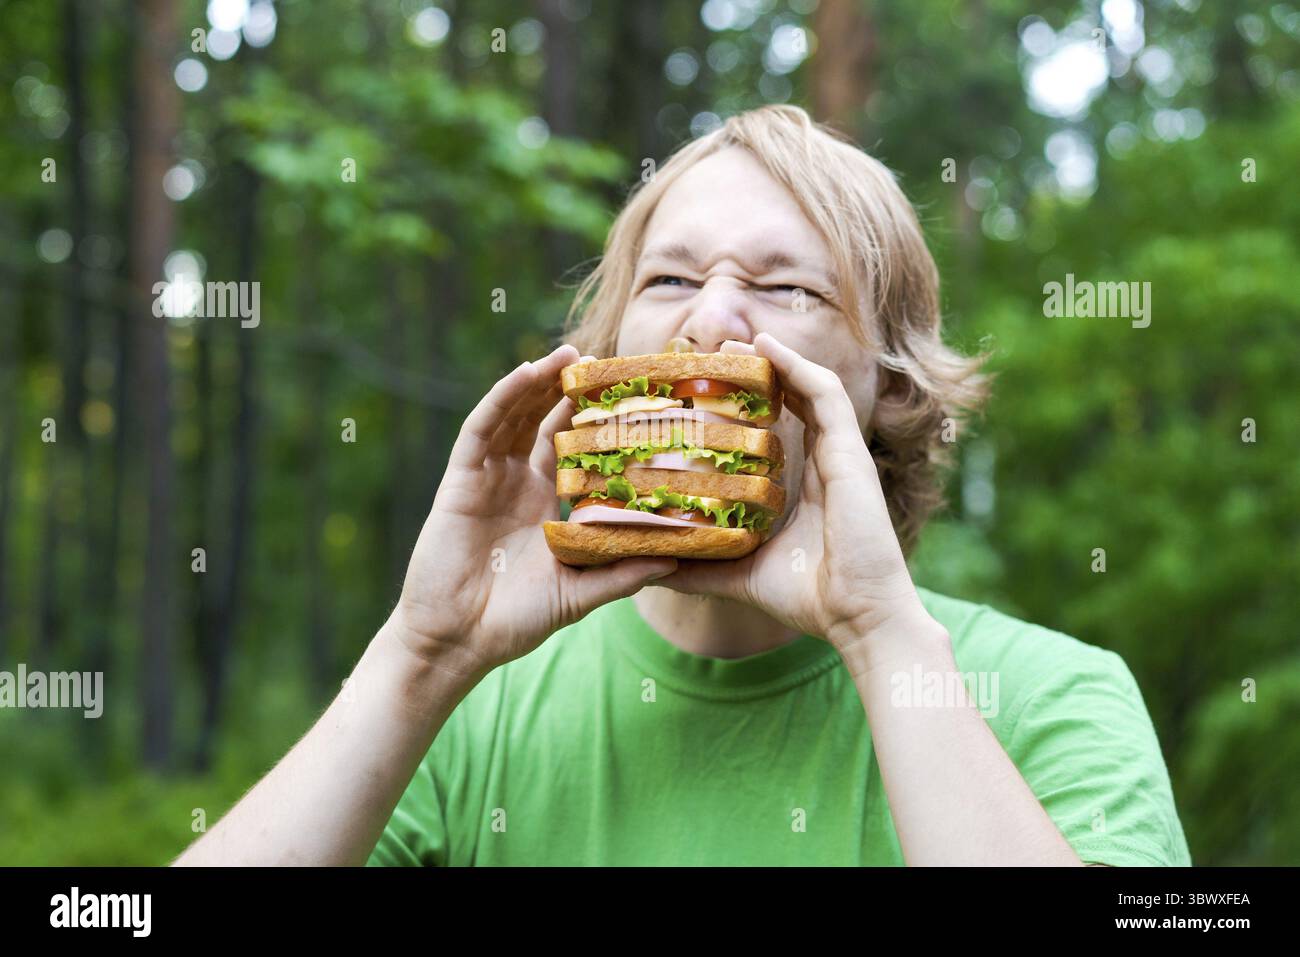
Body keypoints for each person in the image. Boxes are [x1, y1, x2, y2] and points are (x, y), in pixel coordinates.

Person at [175, 105, 1190, 867]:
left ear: (889, 385)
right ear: (606, 359)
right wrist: (421, 657)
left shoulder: (1058, 698)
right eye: (667, 281)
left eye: (788, 287)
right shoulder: (469, 712)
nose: (710, 321)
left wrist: (882, 640)